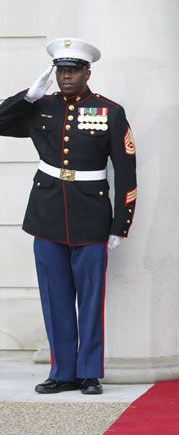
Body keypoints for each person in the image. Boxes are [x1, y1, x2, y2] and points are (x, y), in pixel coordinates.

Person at [0, 38, 137, 396]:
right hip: (46, 215)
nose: (66, 76)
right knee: (55, 297)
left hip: (92, 216)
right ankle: (62, 372)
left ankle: (89, 372)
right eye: (61, 70)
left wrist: (121, 223)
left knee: (90, 299)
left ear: (88, 72)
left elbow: (125, 170)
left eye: (73, 70)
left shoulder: (109, 111)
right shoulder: (39, 108)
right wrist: (27, 95)